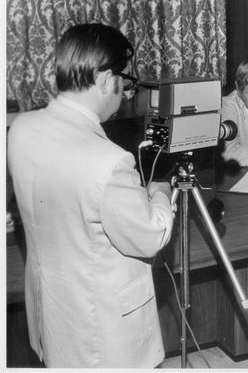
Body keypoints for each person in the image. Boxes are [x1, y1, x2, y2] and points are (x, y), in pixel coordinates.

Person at [7, 23, 175, 368]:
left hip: (53, 311)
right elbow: (149, 237)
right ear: (105, 80)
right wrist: (159, 189)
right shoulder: (110, 161)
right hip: (105, 329)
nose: (124, 93)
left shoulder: (21, 128)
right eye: (125, 84)